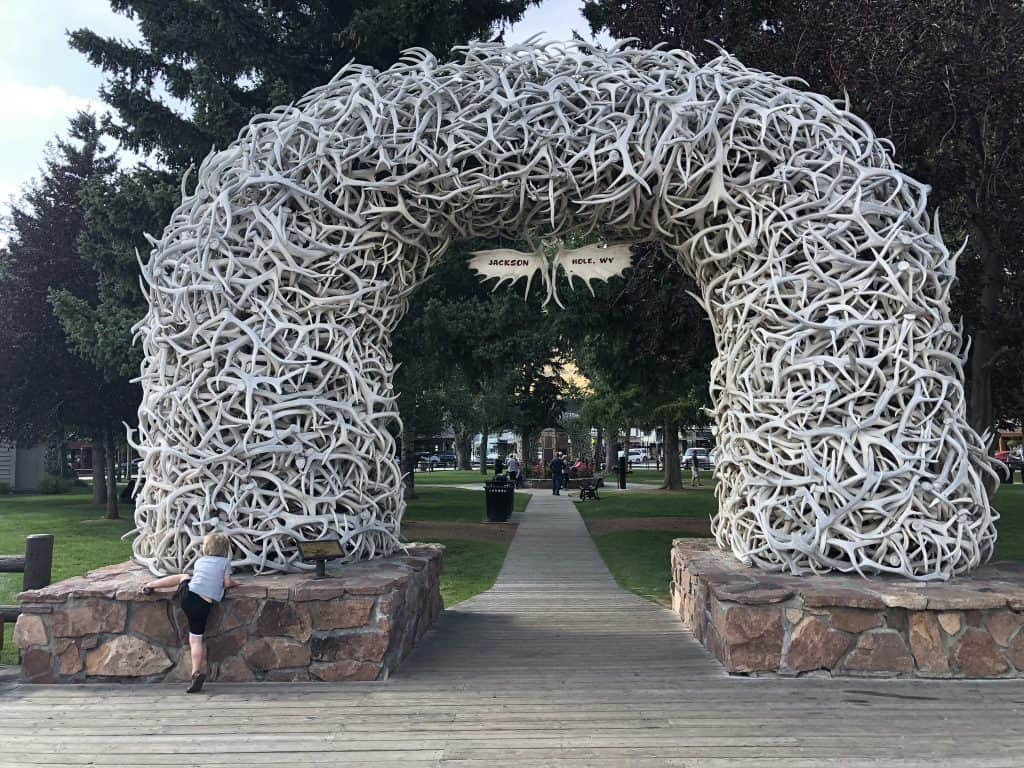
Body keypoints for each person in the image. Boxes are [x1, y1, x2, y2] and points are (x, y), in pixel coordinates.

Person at [141, 532, 239, 693]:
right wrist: (236, 584)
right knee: (196, 640)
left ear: (206, 548)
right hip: (204, 606)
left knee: (183, 576)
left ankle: (151, 585)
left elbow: (200, 577)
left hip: (188, 598)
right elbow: (227, 583)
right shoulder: (225, 563)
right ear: (225, 550)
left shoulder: (200, 561)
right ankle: (195, 672)